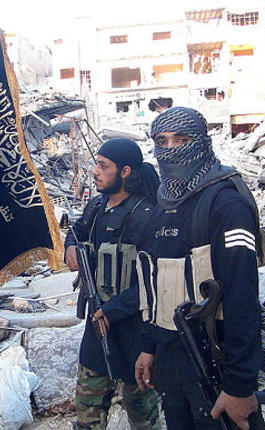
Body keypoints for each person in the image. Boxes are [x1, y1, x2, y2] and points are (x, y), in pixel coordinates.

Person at [134, 107, 265, 430]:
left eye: (181, 140)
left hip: (215, 364)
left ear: (202, 143)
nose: (171, 149)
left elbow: (242, 297)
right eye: (162, 142)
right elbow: (156, 287)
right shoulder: (162, 206)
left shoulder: (226, 204)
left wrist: (240, 385)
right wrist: (149, 348)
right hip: (171, 364)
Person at [64, 138, 161, 430]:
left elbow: (157, 281)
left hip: (135, 331)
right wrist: (70, 247)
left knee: (142, 414)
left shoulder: (147, 216)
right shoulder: (96, 206)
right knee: (88, 411)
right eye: (96, 164)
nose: (95, 171)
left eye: (103, 166)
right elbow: (76, 231)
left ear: (125, 171)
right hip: (97, 326)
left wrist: (114, 309)